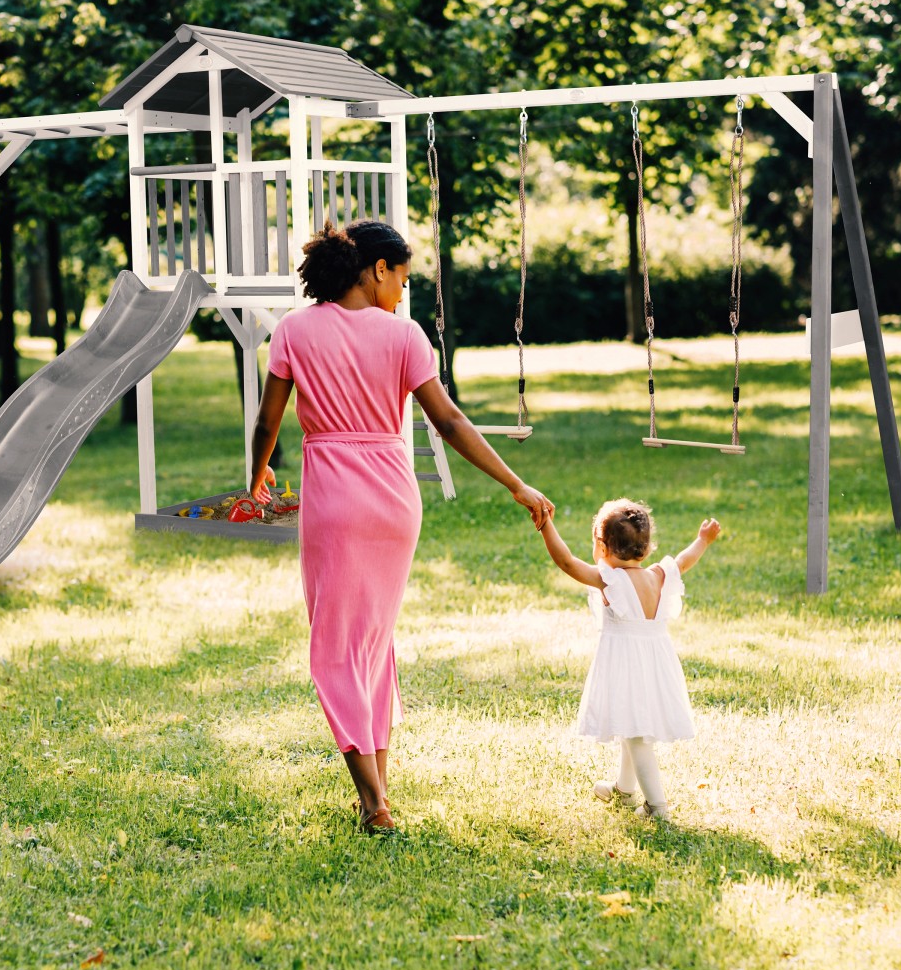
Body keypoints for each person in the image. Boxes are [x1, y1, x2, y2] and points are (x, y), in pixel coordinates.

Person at [249, 219, 554, 835]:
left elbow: (267, 422)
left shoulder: (294, 330)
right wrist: (515, 483)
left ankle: (372, 802)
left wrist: (256, 478)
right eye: (403, 279)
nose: (403, 293)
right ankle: (379, 789)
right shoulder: (404, 336)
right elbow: (449, 422)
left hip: (334, 499)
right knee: (371, 643)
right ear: (377, 269)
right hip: (393, 499)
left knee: (336, 647)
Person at [534, 498, 721, 822]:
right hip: (655, 665)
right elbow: (684, 560)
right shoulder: (659, 575)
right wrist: (702, 540)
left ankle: (657, 806)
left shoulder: (610, 580)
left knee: (636, 736)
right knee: (629, 725)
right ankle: (623, 788)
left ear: (602, 546)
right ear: (646, 549)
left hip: (627, 666)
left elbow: (565, 562)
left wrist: (545, 523)